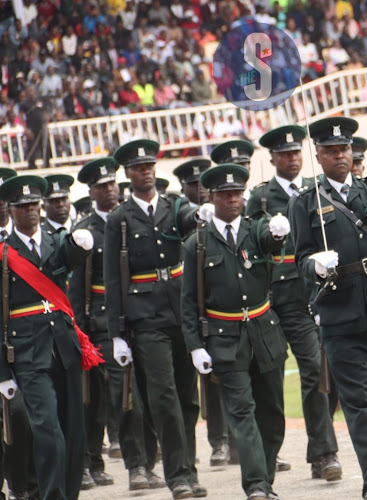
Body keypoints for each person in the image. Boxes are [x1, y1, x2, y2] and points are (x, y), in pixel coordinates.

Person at [291, 117, 367, 500]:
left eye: (344, 149)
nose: (340, 155)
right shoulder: (306, 202)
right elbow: (300, 256)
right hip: (340, 313)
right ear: (318, 156)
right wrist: (314, 264)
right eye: (331, 150)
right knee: (359, 405)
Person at [104, 139, 205, 500]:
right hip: (145, 316)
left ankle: (189, 469)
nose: (145, 170)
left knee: (188, 397)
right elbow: (114, 277)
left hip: (180, 308)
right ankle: (178, 474)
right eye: (138, 167)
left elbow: (186, 219)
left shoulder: (173, 204)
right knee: (163, 397)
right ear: (128, 174)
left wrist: (199, 214)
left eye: (149, 165)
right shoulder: (119, 218)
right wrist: (117, 332)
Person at [183, 164, 290, 500]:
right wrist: (195, 346)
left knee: (272, 415)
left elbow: (272, 248)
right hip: (224, 338)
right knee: (242, 414)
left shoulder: (256, 229)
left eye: (237, 194)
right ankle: (257, 487)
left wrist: (278, 235)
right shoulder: (196, 243)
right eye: (225, 194)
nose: (232, 200)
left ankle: (265, 480)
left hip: (263, 332)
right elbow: (188, 301)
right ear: (211, 197)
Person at [246, 124, 341, 481]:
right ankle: (265, 456)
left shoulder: (313, 192)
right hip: (271, 301)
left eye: (297, 153)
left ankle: (323, 452)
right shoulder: (261, 197)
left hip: (304, 298)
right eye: (285, 155)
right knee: (268, 381)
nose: (292, 159)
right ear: (272, 159)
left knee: (318, 372)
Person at [0, 174, 100, 500]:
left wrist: (81, 244)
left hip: (64, 347)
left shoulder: (56, 240)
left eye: (34, 204)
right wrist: (2, 372)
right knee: (49, 432)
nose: (30, 210)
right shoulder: (4, 254)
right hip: (28, 354)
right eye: (22, 206)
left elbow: (68, 259)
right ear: (10, 210)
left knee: (74, 431)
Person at [70, 157, 165, 492]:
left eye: (111, 184)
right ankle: (134, 465)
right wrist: (80, 331)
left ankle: (148, 463)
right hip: (102, 325)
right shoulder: (84, 230)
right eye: (100, 186)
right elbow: (78, 286)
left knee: (149, 394)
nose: (108, 190)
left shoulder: (130, 218)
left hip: (141, 316)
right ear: (92, 192)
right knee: (124, 397)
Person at [173, 158, 235, 467]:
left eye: (202, 185)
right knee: (206, 377)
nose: (198, 189)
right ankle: (218, 441)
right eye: (192, 185)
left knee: (231, 373)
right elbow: (182, 220)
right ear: (183, 187)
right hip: (190, 300)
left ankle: (233, 440)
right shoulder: (178, 211)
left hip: (220, 299)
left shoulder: (222, 210)